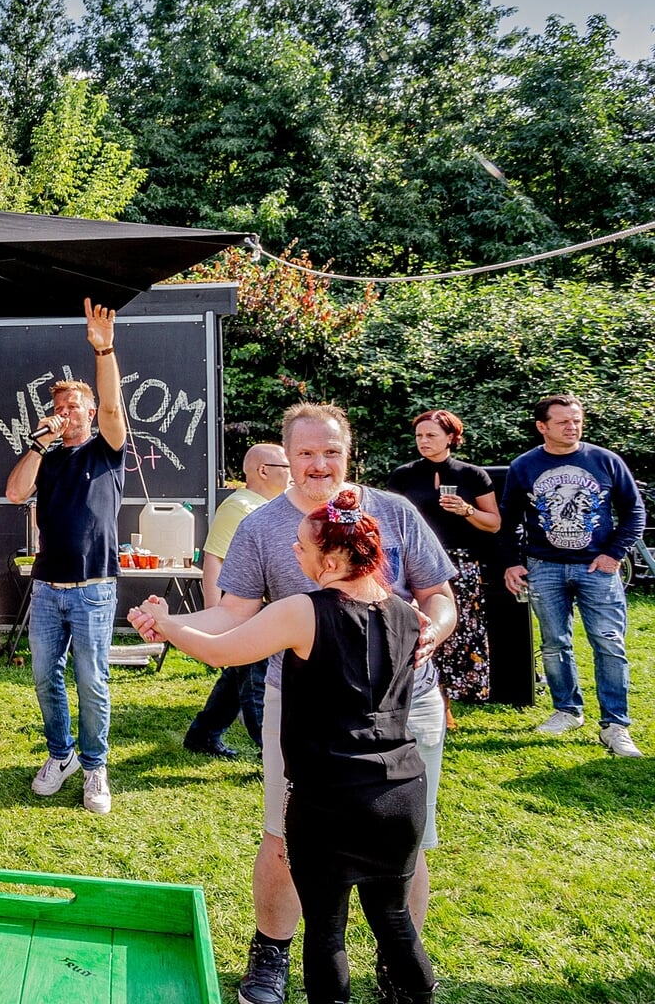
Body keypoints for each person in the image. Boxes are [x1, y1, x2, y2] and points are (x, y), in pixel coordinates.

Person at [128, 402, 456, 1004]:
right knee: (283, 836)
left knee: (410, 845)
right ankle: (273, 953)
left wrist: (431, 631)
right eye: (305, 453)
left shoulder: (396, 513)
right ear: (285, 458)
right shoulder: (261, 526)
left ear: (348, 452)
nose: (318, 464)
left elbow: (439, 597)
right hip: (303, 709)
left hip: (406, 704)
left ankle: (395, 958)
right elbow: (231, 617)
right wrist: (171, 622)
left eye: (330, 451)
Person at [2, 298, 128, 814]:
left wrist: (104, 351)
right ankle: (62, 755)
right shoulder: (47, 458)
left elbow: (115, 406)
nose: (67, 414)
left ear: (90, 411)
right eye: (60, 408)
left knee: (91, 679)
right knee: (43, 675)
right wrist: (37, 443)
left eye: (75, 407)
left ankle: (96, 767)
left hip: (95, 587)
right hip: (49, 587)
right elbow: (13, 493)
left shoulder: (107, 448)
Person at [501, 393, 645, 758]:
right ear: (542, 427)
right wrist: (513, 561)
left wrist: (614, 554)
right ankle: (567, 710)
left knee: (609, 642)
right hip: (543, 566)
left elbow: (634, 511)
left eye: (577, 420)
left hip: (596, 567)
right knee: (554, 644)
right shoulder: (524, 466)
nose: (573, 427)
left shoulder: (605, 461)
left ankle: (616, 725)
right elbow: (509, 520)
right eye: (563, 421)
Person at [386, 410, 500, 724]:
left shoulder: (472, 475)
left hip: (459, 563)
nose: (424, 441)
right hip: (414, 561)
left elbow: (493, 523)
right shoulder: (403, 475)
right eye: (420, 436)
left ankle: (447, 701)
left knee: (457, 634)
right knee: (416, 628)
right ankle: (418, 697)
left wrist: (466, 510)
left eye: (431, 435)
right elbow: (391, 521)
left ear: (450, 437)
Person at [183, 443, 290, 757]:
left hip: (261, 606)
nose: (292, 474)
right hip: (249, 607)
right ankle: (271, 750)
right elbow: (214, 557)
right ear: (262, 471)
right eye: (286, 467)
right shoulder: (241, 506)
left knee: (239, 673)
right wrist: (215, 613)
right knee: (257, 677)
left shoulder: (267, 505)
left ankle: (203, 735)